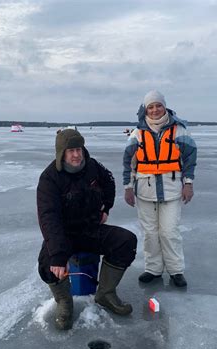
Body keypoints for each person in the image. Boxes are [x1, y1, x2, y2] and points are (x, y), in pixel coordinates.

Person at [37, 129, 137, 330]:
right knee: (46, 264)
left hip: (90, 229)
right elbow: (49, 218)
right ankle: (64, 301)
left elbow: (108, 181)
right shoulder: (50, 178)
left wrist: (106, 208)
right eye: (71, 150)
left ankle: (105, 294)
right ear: (61, 153)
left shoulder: (92, 166)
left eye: (79, 149)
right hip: (64, 235)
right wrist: (57, 255)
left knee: (126, 241)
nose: (76, 154)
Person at [123, 90, 197, 287]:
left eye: (158, 105)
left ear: (165, 107)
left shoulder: (179, 130)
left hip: (171, 190)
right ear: (145, 109)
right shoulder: (137, 134)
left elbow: (190, 159)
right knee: (150, 233)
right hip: (145, 190)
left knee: (169, 231)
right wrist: (128, 187)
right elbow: (127, 163)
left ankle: (175, 270)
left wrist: (188, 183)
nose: (155, 110)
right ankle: (153, 269)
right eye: (150, 106)